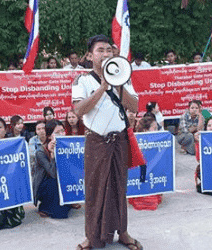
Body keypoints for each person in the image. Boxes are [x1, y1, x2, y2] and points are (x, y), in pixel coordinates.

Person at [72, 34, 142, 250]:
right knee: (94, 190)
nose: (105, 54)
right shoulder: (82, 80)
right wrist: (102, 87)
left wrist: (118, 84)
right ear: (89, 55)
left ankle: (123, 232)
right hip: (96, 141)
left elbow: (135, 107)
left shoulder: (124, 76)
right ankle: (91, 236)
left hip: (119, 140)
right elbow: (79, 110)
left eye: (108, 50)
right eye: (100, 50)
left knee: (119, 188)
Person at [32, 119, 75, 218]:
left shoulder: (66, 147)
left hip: (60, 183)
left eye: (62, 131)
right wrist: (52, 154)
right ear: (49, 136)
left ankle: (68, 200)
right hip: (47, 185)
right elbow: (53, 174)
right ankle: (44, 207)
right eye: (57, 132)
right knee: (60, 214)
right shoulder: (41, 152)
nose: (61, 134)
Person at [128, 116, 162, 210]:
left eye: (157, 129)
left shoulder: (159, 142)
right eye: (154, 128)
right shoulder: (136, 142)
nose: (157, 131)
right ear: (145, 130)